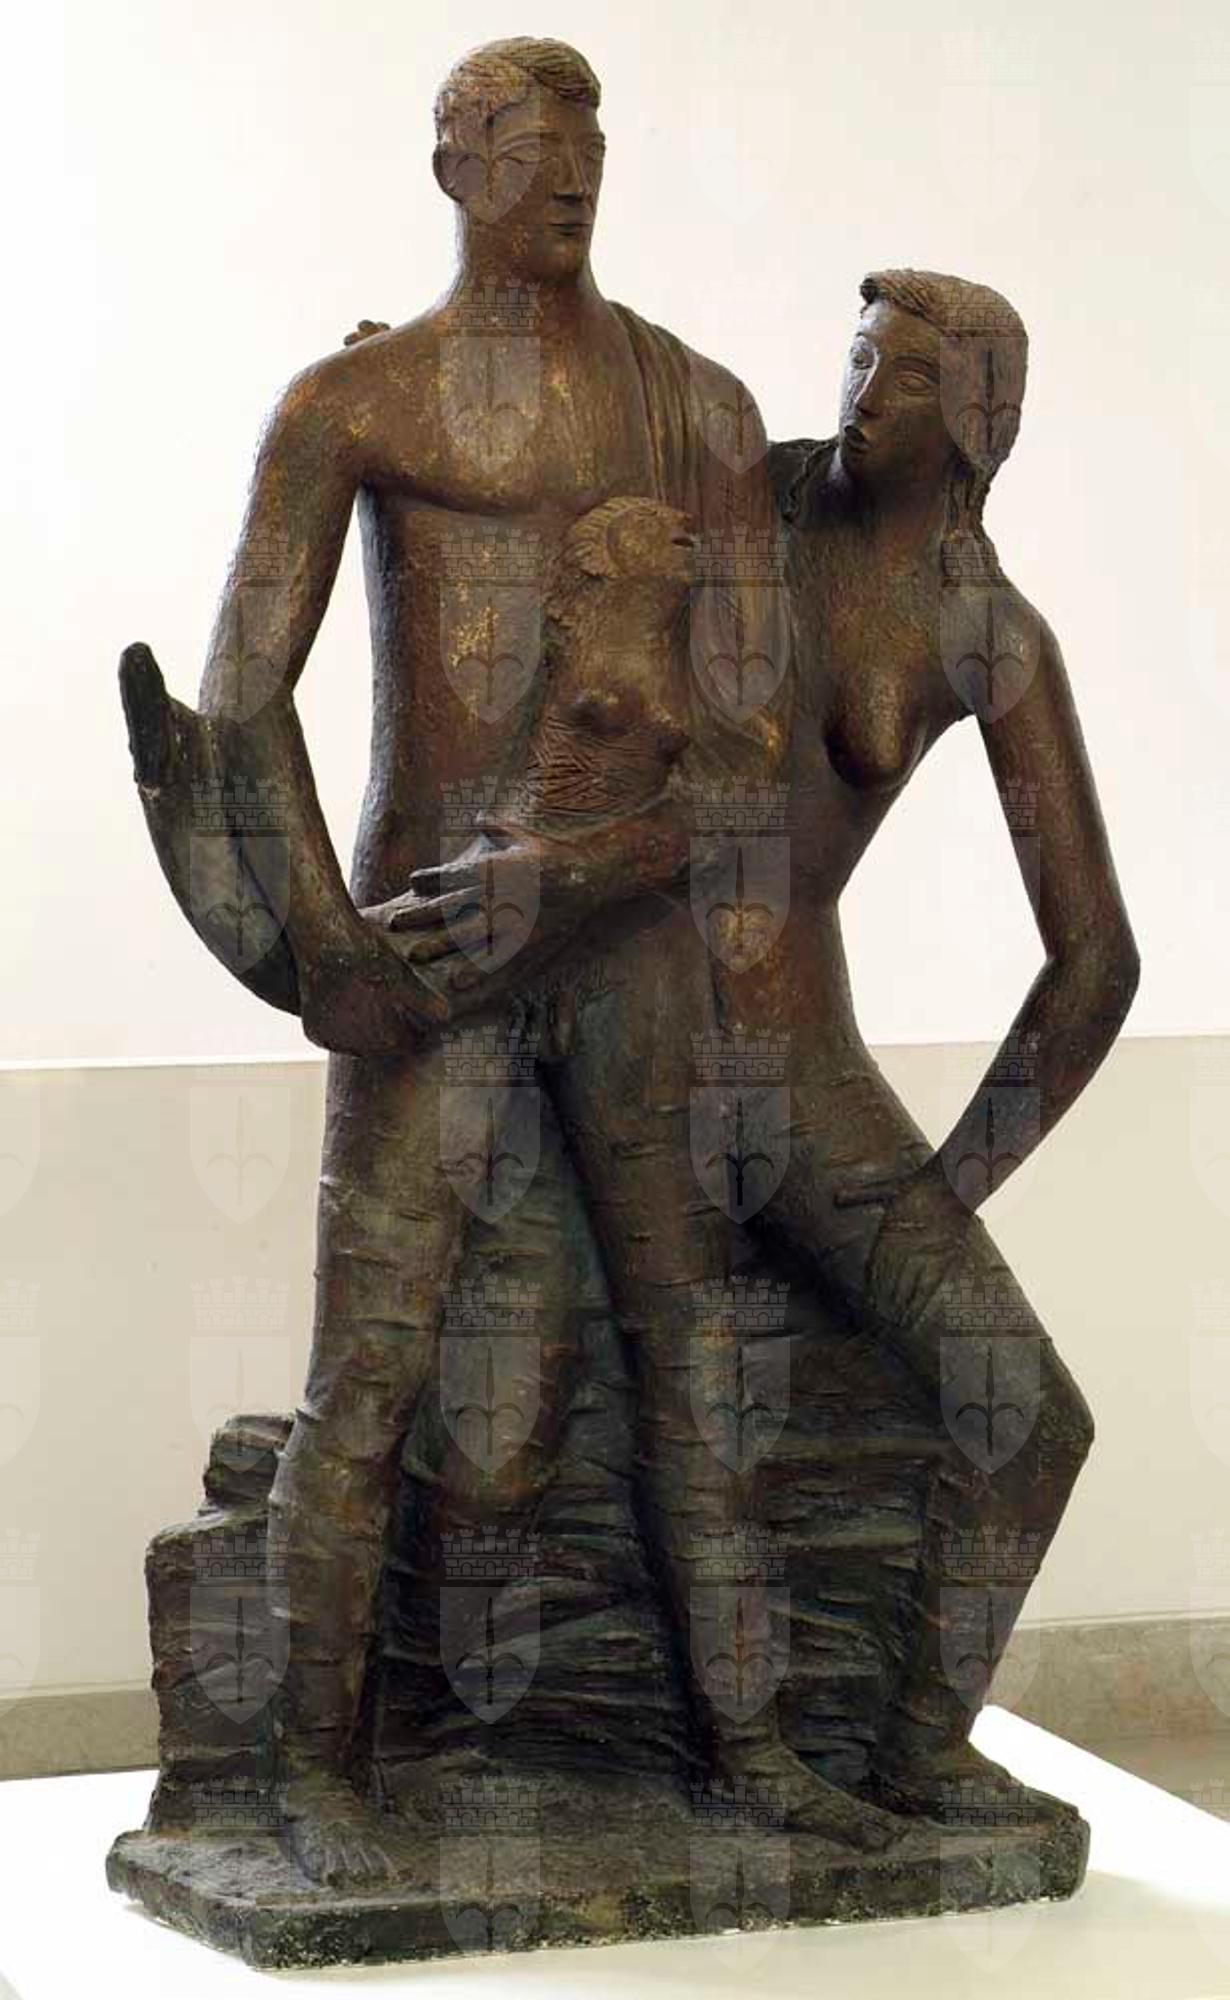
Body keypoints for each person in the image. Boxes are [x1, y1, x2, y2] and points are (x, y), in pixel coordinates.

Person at [120, 36, 793, 1888]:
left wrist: (576, 876)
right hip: (421, 949)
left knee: (689, 1346)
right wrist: (327, 952)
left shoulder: (699, 409)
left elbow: (752, 755)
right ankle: (315, 1771)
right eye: (519, 144)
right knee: (373, 1369)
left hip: (624, 942)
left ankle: (752, 1755)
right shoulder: (356, 401)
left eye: (587, 146)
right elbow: (241, 703)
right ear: (451, 168)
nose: (562, 176)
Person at [396, 270, 1141, 1824]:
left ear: (982, 420)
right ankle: (708, 1755)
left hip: (799, 1057)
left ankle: (918, 1746)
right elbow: (547, 520)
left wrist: (943, 1190)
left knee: (1028, 1418)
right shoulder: (740, 502)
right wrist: (409, 400)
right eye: (859, 358)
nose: (864, 395)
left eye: (907, 378)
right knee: (636, 1412)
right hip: (628, 1011)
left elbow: (1093, 961)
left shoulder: (984, 634)